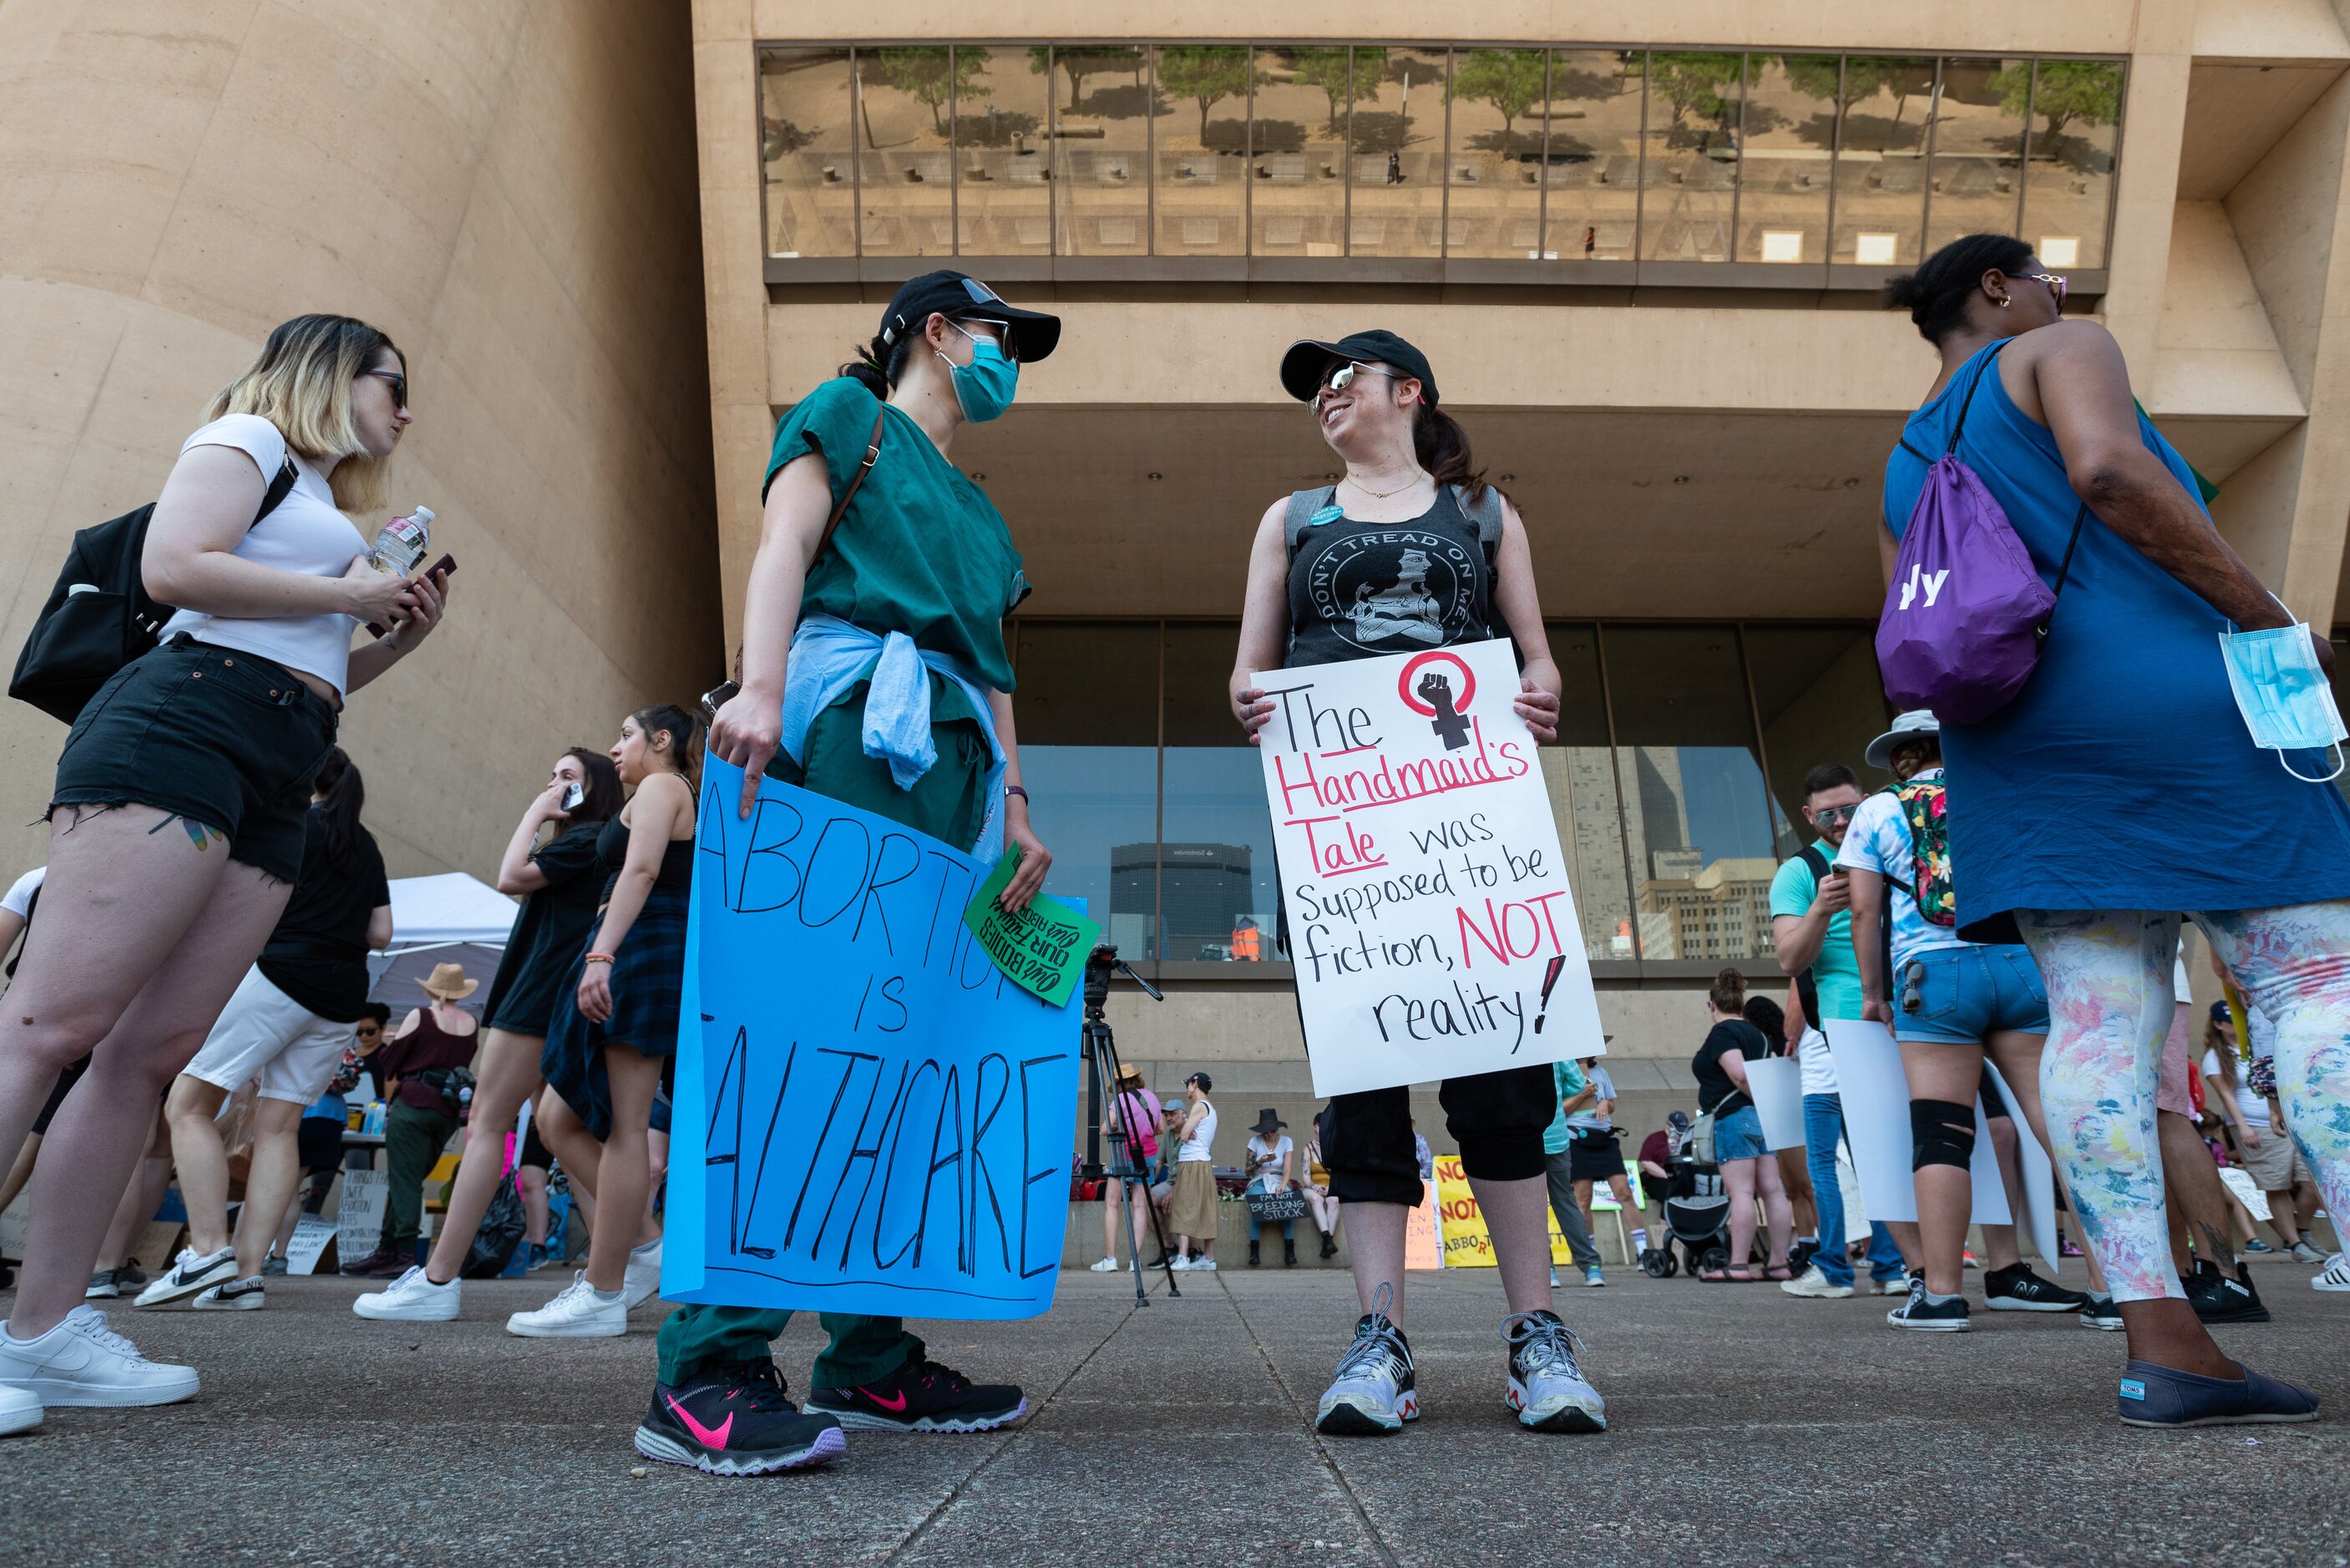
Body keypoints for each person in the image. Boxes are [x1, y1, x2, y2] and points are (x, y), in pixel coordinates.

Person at [1880, 232, 2349, 1424]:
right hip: (2176, 706)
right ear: (1996, 287)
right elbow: (2109, 473)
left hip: (2024, 753)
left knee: (2093, 1031)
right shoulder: (2056, 347)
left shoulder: (1902, 457)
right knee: (2307, 985)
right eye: (2044, 273)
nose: (2062, 294)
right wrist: (2272, 620)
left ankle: (2164, 1343)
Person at [642, 271, 1062, 1474]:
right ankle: (707, 1364)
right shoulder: (847, 413)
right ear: (938, 330)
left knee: (915, 1054)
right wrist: (759, 686)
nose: (1008, 360)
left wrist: (1020, 808)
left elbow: (993, 674)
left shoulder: (984, 518)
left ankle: (869, 1357)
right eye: (1000, 337)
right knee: (810, 1037)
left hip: (956, 765)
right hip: (850, 723)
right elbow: (786, 539)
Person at [0, 315, 448, 1419]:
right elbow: (173, 565)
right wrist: (351, 594)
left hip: (282, 756)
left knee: (145, 1055)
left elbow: (316, 660)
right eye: (396, 384)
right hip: (184, 722)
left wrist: (393, 633)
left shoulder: (319, 508)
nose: (406, 408)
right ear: (333, 371)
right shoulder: (247, 438)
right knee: (50, 1025)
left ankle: (43, 1329)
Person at [1233, 328, 1601, 1438]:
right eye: (1313, 390)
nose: (1325, 398)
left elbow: (1533, 656)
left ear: (1407, 391)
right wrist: (1253, 700)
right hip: (1345, 845)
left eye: (1342, 377)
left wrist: (1538, 685)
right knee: (1361, 1089)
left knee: (1501, 1086)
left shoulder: (1484, 515)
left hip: (1469, 835)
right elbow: (1249, 671)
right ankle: (1378, 1335)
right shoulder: (1291, 519)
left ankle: (1536, 1332)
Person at [353, 747, 622, 1322]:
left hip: (537, 994)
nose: (554, 786)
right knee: (562, 1137)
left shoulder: (583, 838)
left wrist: (536, 810)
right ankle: (623, 1268)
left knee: (487, 1126)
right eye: (550, 776)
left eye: (567, 778)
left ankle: (439, 1277)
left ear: (593, 788)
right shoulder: (596, 844)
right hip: (557, 993)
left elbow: (508, 876)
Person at [1838, 711, 2084, 1330]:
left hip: (1935, 977)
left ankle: (1943, 1294)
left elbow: (1865, 914)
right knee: (2060, 1126)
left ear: (1902, 756)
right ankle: (2117, 1291)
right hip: (2021, 964)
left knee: (1942, 1134)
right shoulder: (2002, 785)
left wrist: (1874, 995)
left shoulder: (1878, 810)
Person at [137, 747, 391, 1313]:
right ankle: (245, 1276)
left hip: (281, 976)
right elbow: (382, 931)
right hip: (342, 996)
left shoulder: (293, 825)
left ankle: (206, 1251)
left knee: (187, 1107)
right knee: (280, 1129)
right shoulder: (364, 843)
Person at [512, 708, 696, 1338]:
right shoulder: (654, 793)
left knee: (625, 1127)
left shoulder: (664, 788)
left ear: (662, 740)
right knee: (555, 1118)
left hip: (638, 947)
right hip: (626, 943)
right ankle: (645, 1245)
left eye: (627, 735)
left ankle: (603, 1291)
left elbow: (641, 871)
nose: (616, 748)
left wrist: (600, 955)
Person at [1775, 762, 1912, 1301]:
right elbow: (1791, 957)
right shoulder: (1801, 870)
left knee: (1887, 1146)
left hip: (1908, 1015)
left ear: (1868, 801)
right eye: (1827, 813)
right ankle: (1836, 1266)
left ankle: (1890, 1264)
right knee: (1827, 1156)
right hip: (1836, 1030)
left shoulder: (1895, 849)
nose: (1839, 820)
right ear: (1809, 816)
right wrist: (1820, 908)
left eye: (1849, 808)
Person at [346, 964, 480, 1279]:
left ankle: (403, 1254)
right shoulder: (471, 1023)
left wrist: (401, 1044)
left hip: (414, 1104)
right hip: (446, 1111)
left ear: (430, 989)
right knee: (408, 1179)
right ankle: (386, 1250)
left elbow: (389, 1064)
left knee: (403, 1180)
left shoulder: (421, 1015)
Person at [1692, 970, 1793, 1282]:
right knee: (1774, 1190)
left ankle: (1738, 1265)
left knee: (1741, 1193)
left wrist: (1754, 1098)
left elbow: (1740, 1075)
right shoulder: (1759, 1035)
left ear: (1712, 1004)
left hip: (1735, 1117)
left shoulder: (1723, 1033)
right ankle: (1779, 1263)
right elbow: (1772, 1069)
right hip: (1762, 1119)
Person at [1564, 1053, 1642, 1273]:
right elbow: (1562, 1110)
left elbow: (1613, 1104)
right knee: (1583, 1198)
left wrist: (1605, 1103)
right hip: (1577, 1137)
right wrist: (1583, 1095)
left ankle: (1643, 1250)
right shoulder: (1564, 1072)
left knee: (1624, 1192)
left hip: (1604, 1136)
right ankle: (1591, 1255)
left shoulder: (1601, 1072)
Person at [1091, 1064, 1162, 1272]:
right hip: (1148, 1155)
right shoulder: (1152, 1097)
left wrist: (1116, 1127)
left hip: (1124, 1156)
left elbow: (1105, 1129)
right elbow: (1160, 1128)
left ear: (1119, 1083)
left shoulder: (1120, 1100)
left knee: (1112, 1204)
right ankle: (1134, 1261)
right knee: (1140, 1206)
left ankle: (1110, 1259)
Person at [1542, 1055, 1605, 1287]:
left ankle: (1546, 1270)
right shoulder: (1556, 1049)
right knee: (1566, 1203)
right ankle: (1591, 1267)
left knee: (1532, 1209)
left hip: (1525, 1140)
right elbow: (1579, 1084)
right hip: (1557, 1135)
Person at [1167, 1073, 1221, 1270]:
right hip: (1204, 1162)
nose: (1187, 1088)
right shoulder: (1210, 1108)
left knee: (1184, 1206)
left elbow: (1183, 1134)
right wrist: (1189, 1131)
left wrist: (1186, 1131)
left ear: (1195, 1084)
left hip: (1191, 1163)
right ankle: (1208, 1258)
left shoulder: (1199, 1106)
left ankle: (1182, 1257)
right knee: (1206, 1208)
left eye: (1188, 1084)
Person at [1243, 1109, 1298, 1267]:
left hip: (1279, 1178)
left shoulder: (1287, 1141)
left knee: (1287, 1200)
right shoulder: (1255, 1141)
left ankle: (1290, 1249)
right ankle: (1254, 1250)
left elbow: (1287, 1169)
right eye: (1265, 1131)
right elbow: (1248, 1171)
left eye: (1272, 1130)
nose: (1269, 1134)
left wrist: (1282, 1185)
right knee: (1257, 1200)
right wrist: (1260, 1161)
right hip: (1259, 1178)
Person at [1300, 1108, 1341, 1259]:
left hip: (1332, 1186)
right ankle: (1328, 1240)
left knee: (1334, 1200)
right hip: (1312, 1187)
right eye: (1319, 1125)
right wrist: (1315, 1187)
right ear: (1314, 1126)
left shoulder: (1333, 1147)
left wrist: (1331, 1188)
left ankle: (1327, 1244)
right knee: (1316, 1199)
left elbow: (1339, 1172)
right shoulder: (1308, 1150)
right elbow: (1306, 1177)